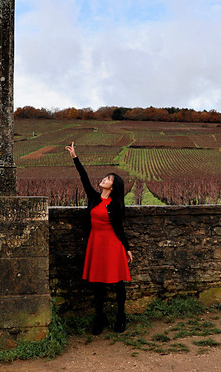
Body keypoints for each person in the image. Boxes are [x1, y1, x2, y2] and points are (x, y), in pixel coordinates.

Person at [66, 141, 133, 334]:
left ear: (114, 186)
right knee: (98, 284)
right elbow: (84, 177)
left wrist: (126, 248)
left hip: (112, 244)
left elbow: (120, 228)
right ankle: (99, 317)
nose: (104, 179)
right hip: (95, 243)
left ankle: (121, 316)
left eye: (109, 178)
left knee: (117, 282)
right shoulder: (94, 197)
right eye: (105, 177)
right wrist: (74, 157)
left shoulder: (116, 205)